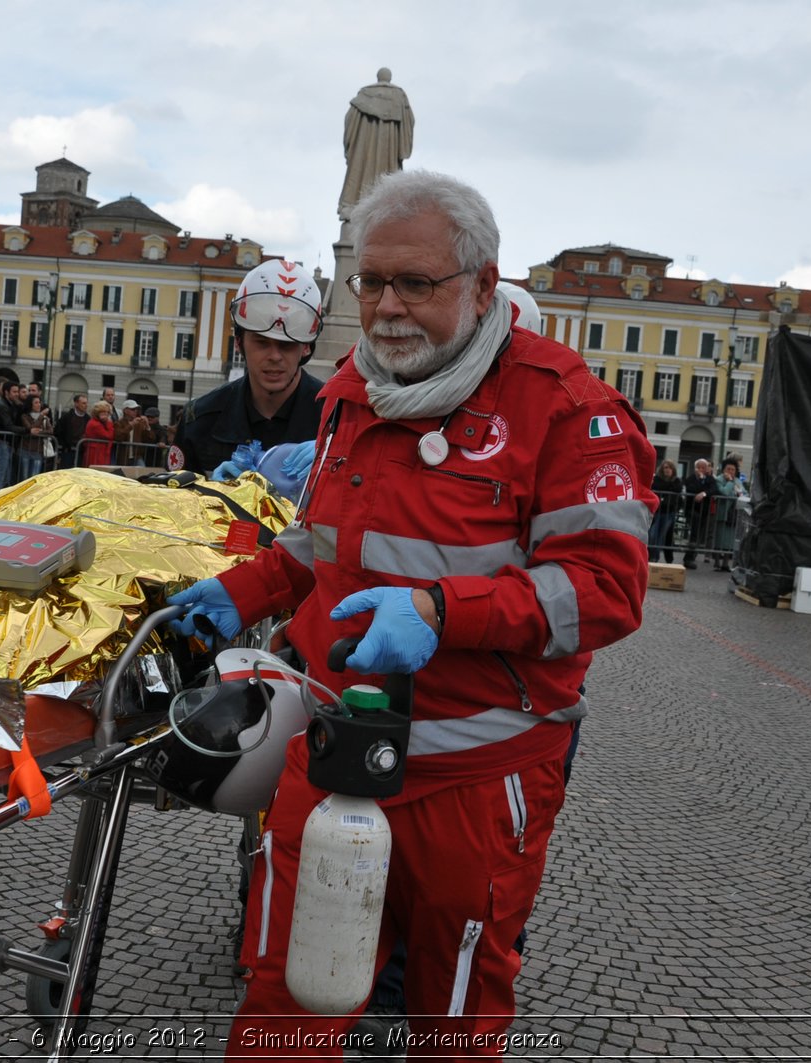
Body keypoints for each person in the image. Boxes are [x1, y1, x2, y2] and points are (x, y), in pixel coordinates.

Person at [167, 170, 655, 1052]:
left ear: (481, 282)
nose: (386, 306)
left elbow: (607, 588)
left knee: (452, 1016)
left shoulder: (565, 408)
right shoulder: (356, 389)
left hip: (475, 775)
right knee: (288, 999)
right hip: (334, 752)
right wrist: (238, 591)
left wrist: (442, 611)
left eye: (415, 283)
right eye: (370, 281)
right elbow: (322, 540)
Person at [172, 259, 327, 475]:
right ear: (238, 343)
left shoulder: (336, 420)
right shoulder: (200, 419)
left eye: (287, 345)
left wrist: (336, 457)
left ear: (306, 348)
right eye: (261, 342)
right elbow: (173, 500)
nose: (274, 356)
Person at [338, 68, 414, 219]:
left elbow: (349, 121)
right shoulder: (399, 96)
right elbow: (409, 122)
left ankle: (353, 209)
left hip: (363, 150)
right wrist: (401, 147)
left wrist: (350, 147)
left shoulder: (363, 95)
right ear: (389, 78)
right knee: (387, 181)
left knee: (359, 176)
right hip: (388, 150)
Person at [681, 458, 718, 570]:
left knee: (698, 535)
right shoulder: (691, 478)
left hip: (704, 511)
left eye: (704, 467)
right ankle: (688, 558)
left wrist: (704, 493)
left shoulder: (710, 479)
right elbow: (691, 490)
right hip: (692, 509)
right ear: (695, 468)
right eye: (699, 467)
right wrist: (700, 481)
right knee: (694, 533)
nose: (701, 470)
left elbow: (714, 489)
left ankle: (690, 557)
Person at [712, 458, 745, 571]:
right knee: (719, 538)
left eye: (733, 469)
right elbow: (725, 492)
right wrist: (730, 483)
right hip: (722, 513)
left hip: (733, 514)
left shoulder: (738, 481)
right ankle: (716, 562)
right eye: (728, 469)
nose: (731, 471)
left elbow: (743, 493)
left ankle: (725, 563)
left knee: (729, 540)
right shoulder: (719, 479)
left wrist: (734, 490)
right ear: (724, 469)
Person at [648, 459, 682, 564]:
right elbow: (657, 486)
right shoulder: (657, 479)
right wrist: (668, 487)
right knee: (653, 534)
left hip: (669, 512)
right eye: (665, 468)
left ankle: (655, 557)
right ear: (662, 469)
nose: (667, 470)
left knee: (662, 535)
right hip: (657, 511)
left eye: (670, 467)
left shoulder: (677, 480)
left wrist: (668, 487)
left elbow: (677, 489)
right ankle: (652, 556)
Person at [112, 399, 155, 465]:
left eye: (136, 409)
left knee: (142, 473)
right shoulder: (118, 423)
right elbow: (118, 437)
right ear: (125, 411)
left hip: (137, 457)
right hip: (123, 457)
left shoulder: (139, 423)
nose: (135, 411)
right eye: (133, 409)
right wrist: (131, 425)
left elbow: (150, 439)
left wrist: (147, 426)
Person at [55, 393, 91, 468]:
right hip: (67, 451)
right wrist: (63, 446)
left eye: (86, 403)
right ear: (76, 403)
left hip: (81, 452)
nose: (86, 405)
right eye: (83, 403)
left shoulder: (88, 419)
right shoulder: (66, 417)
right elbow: (58, 431)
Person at [82, 400, 115, 466]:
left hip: (98, 452)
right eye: (103, 412)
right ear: (97, 413)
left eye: (107, 412)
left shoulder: (96, 422)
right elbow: (109, 435)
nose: (106, 414)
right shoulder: (96, 424)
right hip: (96, 453)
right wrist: (109, 423)